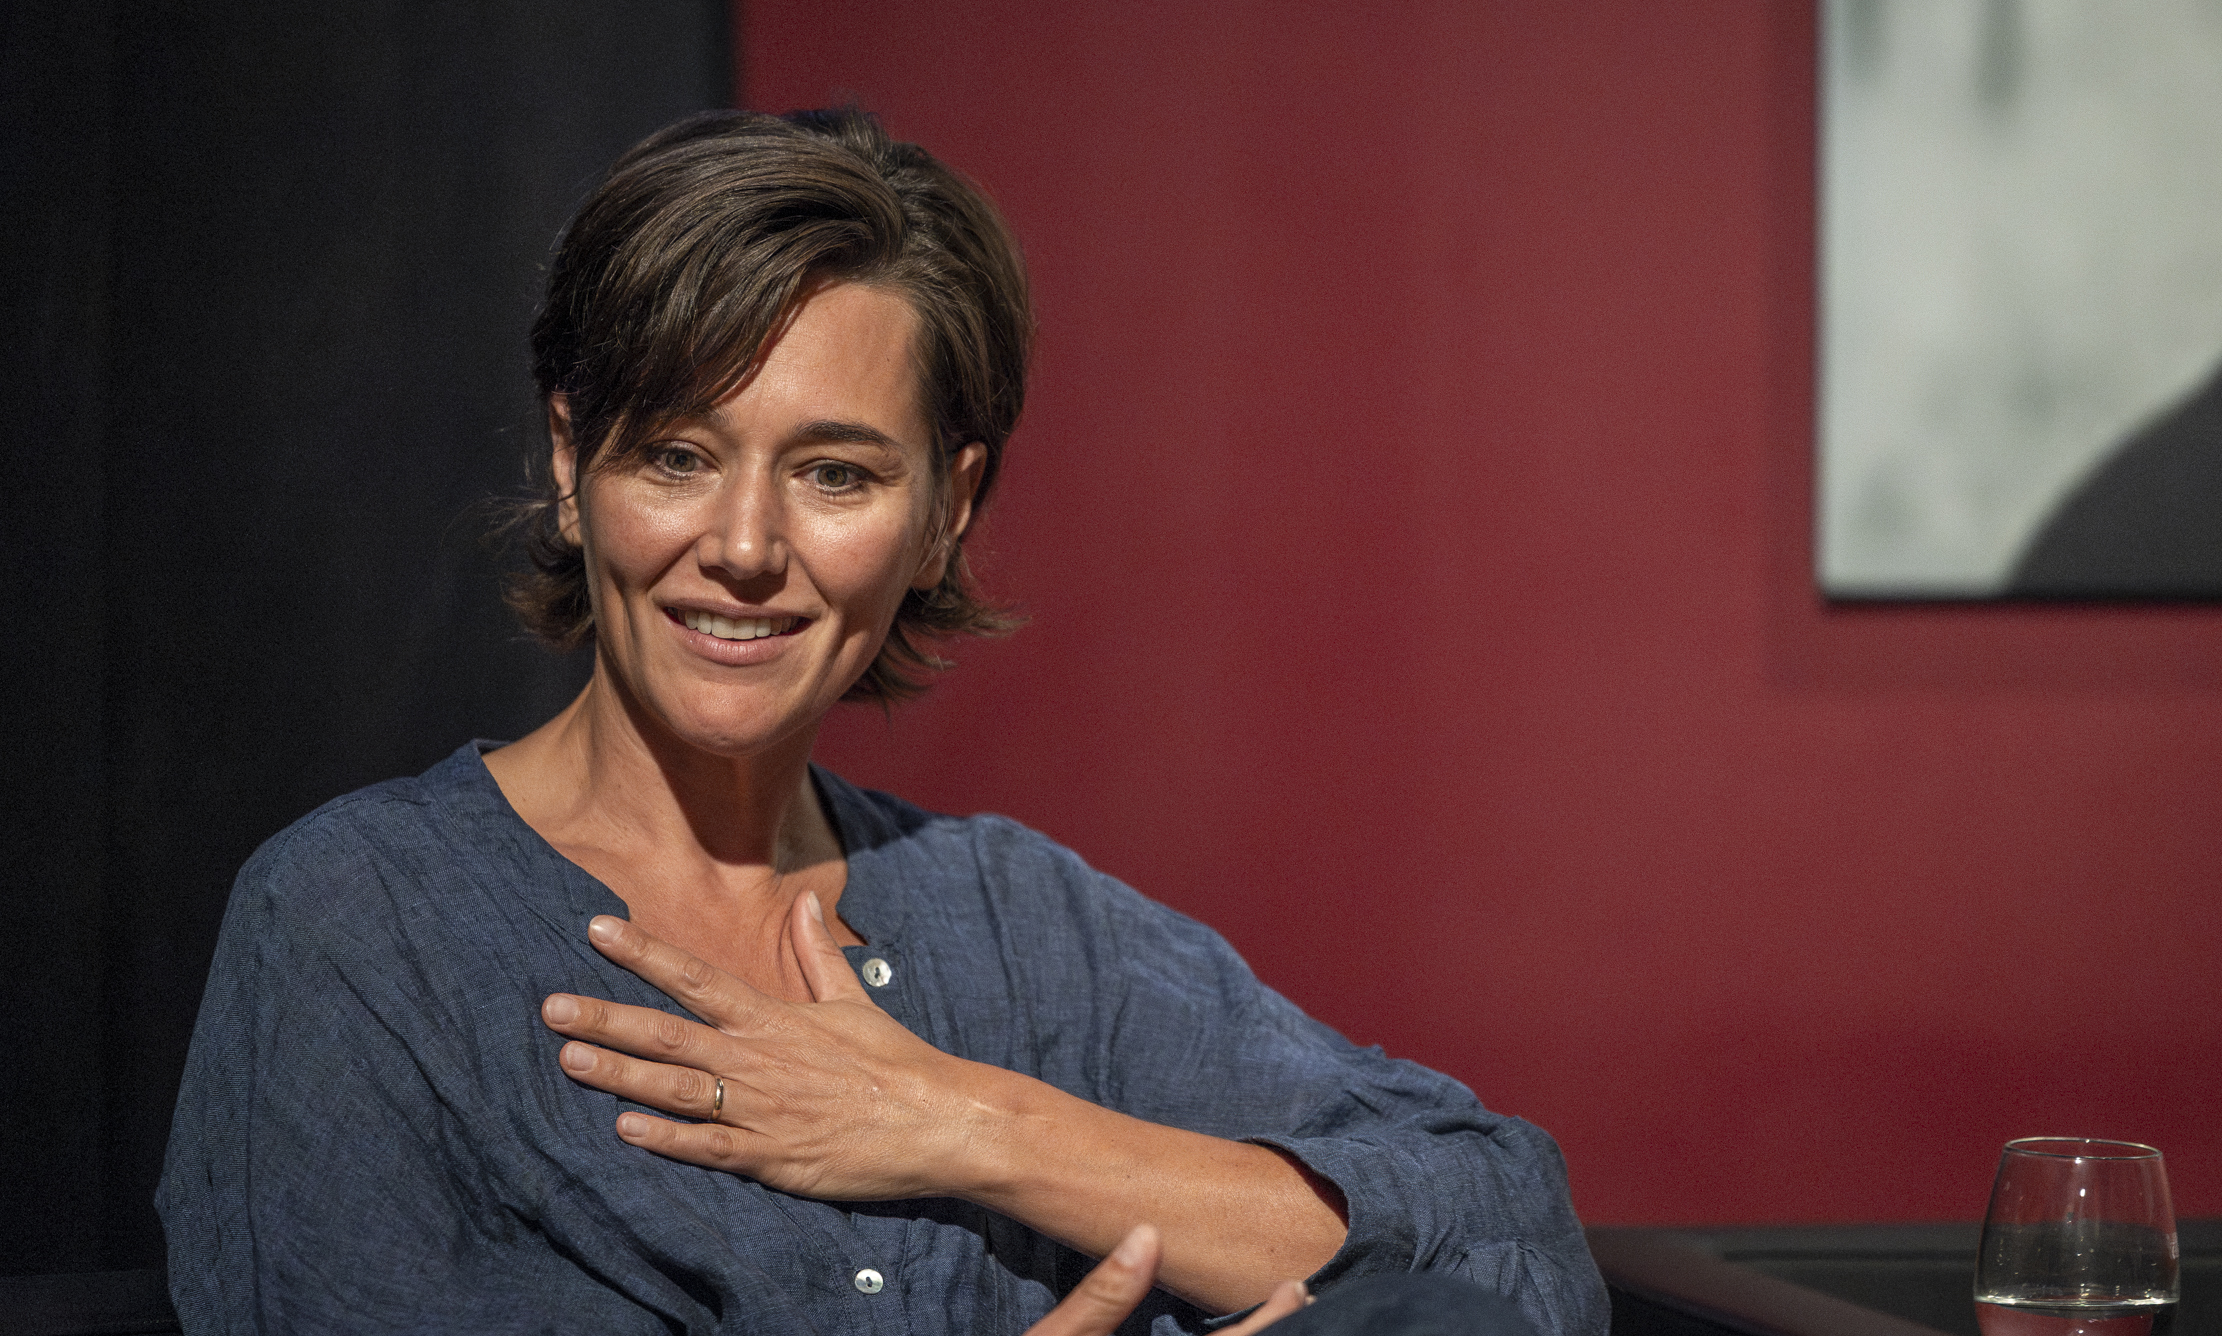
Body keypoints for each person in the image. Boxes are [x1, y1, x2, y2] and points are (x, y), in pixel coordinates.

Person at [156, 109, 1608, 1336]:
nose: (742, 546)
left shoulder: (1020, 924)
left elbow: (1511, 1244)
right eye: (675, 454)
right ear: (568, 462)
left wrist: (964, 1123)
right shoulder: (360, 926)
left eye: (835, 474)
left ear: (944, 513)